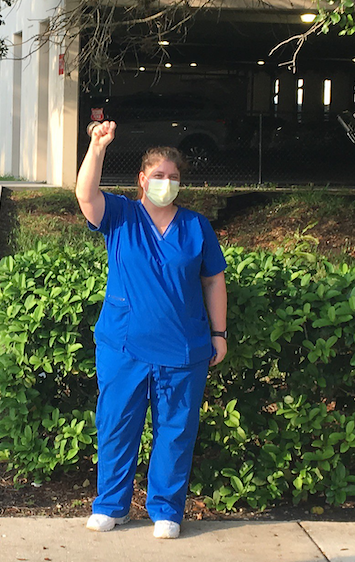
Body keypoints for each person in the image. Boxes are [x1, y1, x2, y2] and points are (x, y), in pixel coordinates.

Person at [75, 121, 228, 539]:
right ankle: (111, 505)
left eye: (173, 177)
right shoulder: (122, 216)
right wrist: (98, 146)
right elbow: (85, 194)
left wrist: (220, 334)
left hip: (183, 349)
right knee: (116, 425)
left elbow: (213, 280)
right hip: (123, 346)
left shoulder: (196, 227)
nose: (165, 183)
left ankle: (166, 510)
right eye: (158, 176)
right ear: (142, 180)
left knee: (175, 432)